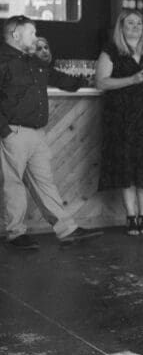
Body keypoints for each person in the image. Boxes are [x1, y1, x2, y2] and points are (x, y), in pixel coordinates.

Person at [0, 15, 102, 250]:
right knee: (13, 185)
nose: (36, 38)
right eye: (32, 33)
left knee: (45, 182)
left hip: (37, 133)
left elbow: (56, 77)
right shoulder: (2, 60)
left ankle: (66, 229)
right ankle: (15, 234)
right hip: (13, 132)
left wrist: (87, 79)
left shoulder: (32, 60)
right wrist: (5, 130)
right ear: (16, 35)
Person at [95, 11, 143, 235]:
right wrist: (132, 79)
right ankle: (131, 217)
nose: (135, 26)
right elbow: (100, 82)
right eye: (130, 22)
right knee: (126, 166)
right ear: (121, 26)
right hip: (121, 116)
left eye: (139, 23)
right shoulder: (111, 50)